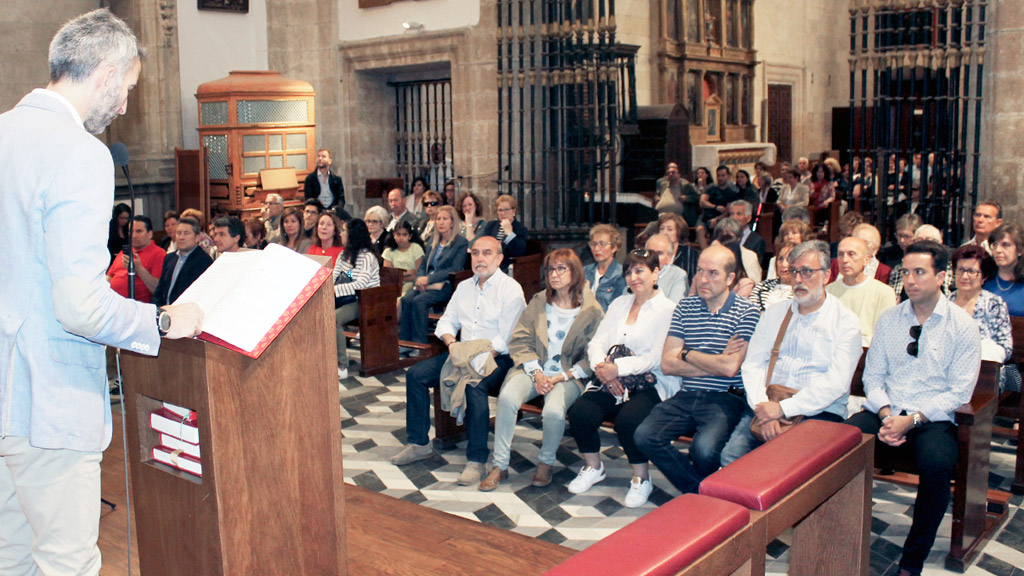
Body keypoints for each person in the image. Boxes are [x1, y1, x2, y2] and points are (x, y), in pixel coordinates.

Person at [0, 10, 203, 573]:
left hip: (5, 393)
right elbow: (79, 305)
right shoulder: (77, 152)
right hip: (49, 401)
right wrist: (160, 322)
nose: (123, 107)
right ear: (106, 73)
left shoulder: (3, 132)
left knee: (12, 556)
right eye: (129, 90)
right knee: (67, 561)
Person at [846, 240, 981, 576]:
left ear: (940, 276)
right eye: (906, 272)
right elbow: (873, 378)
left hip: (932, 419)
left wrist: (912, 419)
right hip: (887, 412)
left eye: (919, 272)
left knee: (937, 463)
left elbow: (959, 392)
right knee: (841, 441)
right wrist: (887, 415)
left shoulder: (962, 326)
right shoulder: (890, 319)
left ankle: (911, 561)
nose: (910, 280)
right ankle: (839, 540)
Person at [390, 236, 526, 486]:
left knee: (474, 384)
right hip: (461, 352)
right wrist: (452, 344)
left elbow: (507, 338)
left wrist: (476, 360)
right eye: (475, 253)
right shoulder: (464, 287)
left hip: (498, 358)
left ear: (499, 258)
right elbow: (446, 322)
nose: (480, 258)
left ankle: (476, 460)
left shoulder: (511, 289)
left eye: (487, 253)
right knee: (415, 375)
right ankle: (419, 443)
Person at [634, 245, 760, 498]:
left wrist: (688, 353)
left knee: (703, 450)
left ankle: (702, 494)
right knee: (645, 435)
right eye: (700, 271)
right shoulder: (685, 307)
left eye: (713, 273)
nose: (703, 279)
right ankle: (701, 491)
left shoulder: (747, 312)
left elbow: (730, 368)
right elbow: (668, 364)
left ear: (730, 278)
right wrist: (716, 361)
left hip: (726, 397)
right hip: (688, 393)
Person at [721, 240, 863, 464]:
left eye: (807, 272)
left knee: (786, 465)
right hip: (768, 402)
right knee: (731, 458)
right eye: (794, 271)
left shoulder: (845, 322)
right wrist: (763, 410)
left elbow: (836, 384)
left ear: (826, 276)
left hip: (818, 412)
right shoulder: (774, 314)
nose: (798, 279)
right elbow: (753, 364)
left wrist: (782, 409)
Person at [480, 249, 604, 491]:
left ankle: (545, 463)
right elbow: (520, 339)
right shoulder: (539, 301)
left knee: (554, 412)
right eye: (550, 269)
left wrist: (560, 376)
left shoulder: (592, 310)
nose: (554, 275)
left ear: (575, 272)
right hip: (533, 368)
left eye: (561, 269)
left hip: (567, 375)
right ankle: (500, 465)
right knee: (506, 399)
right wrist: (537, 373)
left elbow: (594, 354)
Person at [565, 249, 677, 507]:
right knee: (581, 412)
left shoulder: (668, 309)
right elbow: (598, 342)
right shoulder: (619, 304)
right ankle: (594, 467)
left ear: (656, 273)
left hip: (650, 381)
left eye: (640, 271)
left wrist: (618, 369)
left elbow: (656, 357)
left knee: (628, 421)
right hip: (609, 376)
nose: (633, 277)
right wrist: (602, 367)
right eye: (628, 272)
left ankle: (641, 479)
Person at [950, 244, 1019, 392]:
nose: (965, 276)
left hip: (984, 373)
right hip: (947, 371)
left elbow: (1005, 347)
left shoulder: (994, 303)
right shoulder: (945, 303)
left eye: (972, 271)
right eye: (961, 270)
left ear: (984, 277)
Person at [399, 205, 469, 344]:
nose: (441, 222)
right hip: (426, 283)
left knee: (419, 301)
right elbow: (424, 265)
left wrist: (428, 279)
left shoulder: (460, 243)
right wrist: (419, 280)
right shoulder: (433, 241)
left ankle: (420, 343)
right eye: (438, 219)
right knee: (406, 300)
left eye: (445, 219)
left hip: (446, 284)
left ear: (452, 222)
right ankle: (406, 341)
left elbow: (454, 268)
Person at [826, 236, 897, 346]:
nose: (845, 260)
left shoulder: (884, 293)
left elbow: (886, 335)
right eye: (841, 254)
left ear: (866, 259)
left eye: (851, 254)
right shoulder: (828, 291)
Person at [333, 219, 381, 379]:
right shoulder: (343, 254)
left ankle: (342, 366)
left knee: (334, 319)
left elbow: (361, 284)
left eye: (344, 231)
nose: (341, 234)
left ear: (352, 235)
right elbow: (335, 276)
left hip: (365, 301)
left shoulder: (367, 256)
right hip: (345, 298)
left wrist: (334, 291)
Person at [151, 216, 214, 307]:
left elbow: (196, 294)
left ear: (197, 237)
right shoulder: (170, 258)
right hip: (164, 312)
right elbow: (160, 289)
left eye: (186, 233)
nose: (181, 237)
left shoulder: (204, 261)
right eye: (178, 233)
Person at [106, 215, 165, 303]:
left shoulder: (159, 254)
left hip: (137, 307)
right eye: (131, 231)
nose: (133, 236)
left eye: (138, 231)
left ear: (150, 234)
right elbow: (109, 277)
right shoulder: (124, 252)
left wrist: (139, 269)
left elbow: (158, 289)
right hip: (113, 303)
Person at [583, 224, 626, 311]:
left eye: (602, 244)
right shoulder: (584, 271)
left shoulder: (622, 275)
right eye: (593, 244)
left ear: (614, 248)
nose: (597, 248)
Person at [985, 224, 1024, 316]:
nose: (998, 250)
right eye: (995, 245)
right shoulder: (984, 279)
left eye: (1005, 245)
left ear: (1020, 250)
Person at [698, 165, 740, 248]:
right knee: (700, 230)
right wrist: (715, 207)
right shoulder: (711, 188)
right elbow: (702, 202)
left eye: (723, 175)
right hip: (706, 217)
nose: (720, 178)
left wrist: (717, 219)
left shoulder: (732, 193)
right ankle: (705, 251)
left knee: (720, 230)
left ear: (728, 176)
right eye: (718, 175)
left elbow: (727, 211)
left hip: (721, 219)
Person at [382, 220, 425, 297]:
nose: (401, 237)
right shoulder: (388, 251)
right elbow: (388, 275)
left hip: (412, 283)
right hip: (393, 285)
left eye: (404, 235)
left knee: (401, 298)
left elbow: (417, 273)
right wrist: (407, 272)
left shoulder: (416, 248)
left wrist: (400, 275)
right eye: (398, 234)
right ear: (394, 235)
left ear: (410, 236)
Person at [482, 194, 529, 264]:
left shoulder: (520, 229)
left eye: (507, 209)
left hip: (507, 265)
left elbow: (518, 252)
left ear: (513, 211)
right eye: (500, 210)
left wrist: (509, 234)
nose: (503, 213)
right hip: (489, 262)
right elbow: (483, 245)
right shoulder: (491, 226)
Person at [749, 242, 796, 311]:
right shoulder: (762, 286)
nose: (783, 264)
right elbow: (751, 311)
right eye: (780, 259)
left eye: (789, 259)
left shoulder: (801, 290)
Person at [712, 218, 762, 283]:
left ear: (738, 237)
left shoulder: (750, 256)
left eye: (728, 234)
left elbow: (755, 282)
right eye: (721, 234)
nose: (724, 237)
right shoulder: (712, 254)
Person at [645, 233, 689, 303]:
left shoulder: (678, 275)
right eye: (650, 252)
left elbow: (674, 307)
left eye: (659, 253)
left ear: (669, 257)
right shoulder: (637, 273)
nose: (654, 257)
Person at [303, 147, 347, 217]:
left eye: (323, 156)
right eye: (318, 156)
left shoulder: (336, 179)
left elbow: (341, 199)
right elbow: (309, 199)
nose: (320, 159)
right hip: (317, 211)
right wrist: (319, 209)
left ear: (330, 161)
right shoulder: (310, 179)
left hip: (333, 211)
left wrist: (335, 209)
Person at [654, 162, 700, 227]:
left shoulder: (686, 186)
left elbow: (697, 197)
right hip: (660, 216)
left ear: (679, 174)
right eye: (668, 173)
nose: (670, 174)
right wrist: (657, 197)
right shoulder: (662, 184)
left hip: (677, 217)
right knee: (651, 225)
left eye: (673, 172)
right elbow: (657, 194)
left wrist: (686, 198)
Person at [658, 212, 700, 281]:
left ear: (679, 232)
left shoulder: (690, 253)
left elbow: (693, 279)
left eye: (670, 229)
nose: (664, 232)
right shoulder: (653, 252)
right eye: (662, 229)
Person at [729, 199, 766, 265]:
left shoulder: (757, 241)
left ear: (748, 218)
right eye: (732, 214)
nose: (734, 217)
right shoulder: (725, 237)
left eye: (739, 214)